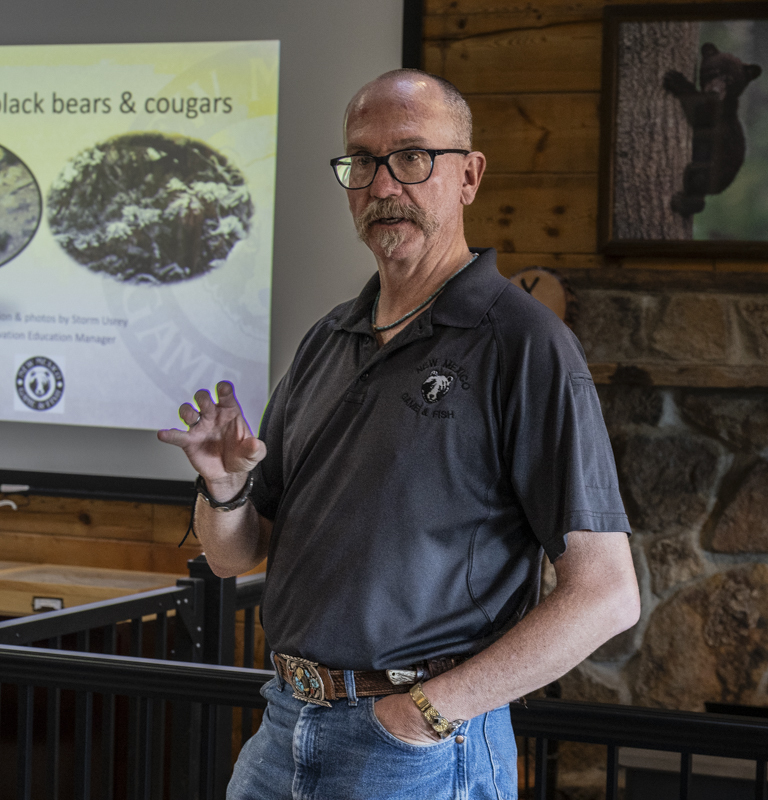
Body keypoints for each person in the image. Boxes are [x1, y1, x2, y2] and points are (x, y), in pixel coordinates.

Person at [157, 69, 641, 799]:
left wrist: (423, 714)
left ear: (469, 175)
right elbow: (238, 557)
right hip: (283, 725)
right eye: (363, 161)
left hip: (414, 749)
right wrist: (224, 490)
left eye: (413, 156)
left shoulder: (522, 343)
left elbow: (607, 595)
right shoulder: (329, 338)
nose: (384, 185)